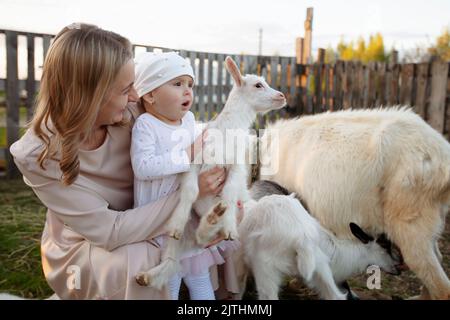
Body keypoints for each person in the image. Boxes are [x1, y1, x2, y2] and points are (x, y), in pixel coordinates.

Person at [9, 23, 239, 299]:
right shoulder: (36, 154)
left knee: (231, 215)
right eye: (125, 88)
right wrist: (191, 194)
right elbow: (109, 231)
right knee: (139, 259)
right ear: (90, 94)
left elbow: (185, 131)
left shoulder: (132, 111)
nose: (135, 96)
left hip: (150, 209)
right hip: (89, 242)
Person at [131, 52, 239, 300]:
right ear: (150, 94)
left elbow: (201, 143)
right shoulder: (146, 125)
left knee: (199, 276)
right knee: (171, 280)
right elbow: (143, 166)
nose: (187, 91)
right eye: (177, 84)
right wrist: (188, 154)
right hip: (158, 218)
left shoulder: (188, 120)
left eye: (190, 84)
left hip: (187, 212)